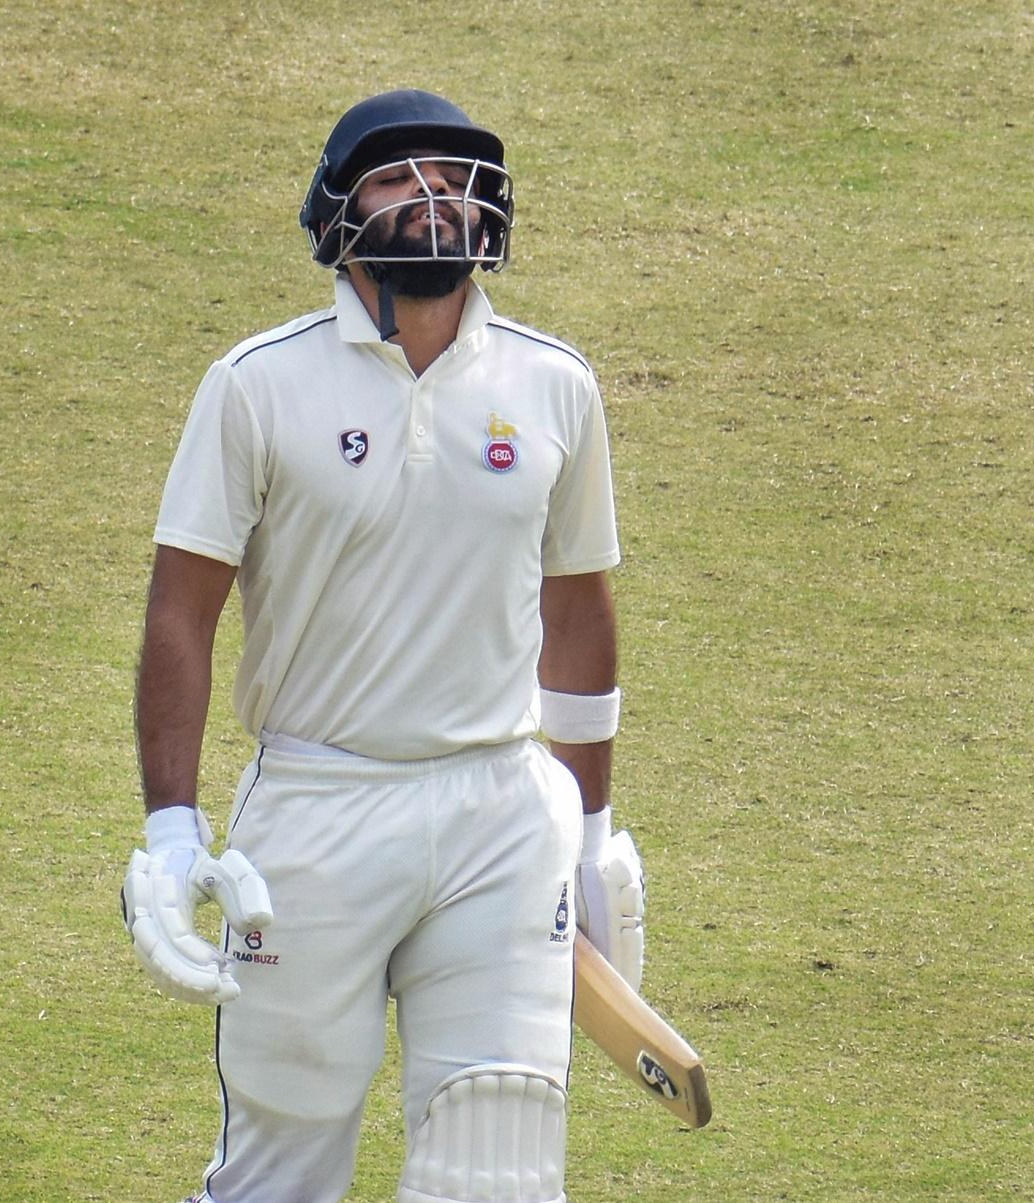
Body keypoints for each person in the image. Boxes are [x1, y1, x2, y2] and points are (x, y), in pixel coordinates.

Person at [121, 89, 645, 1203]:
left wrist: (593, 828)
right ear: (336, 213)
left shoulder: (556, 385)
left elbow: (578, 610)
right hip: (316, 809)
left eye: (456, 179)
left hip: (501, 814)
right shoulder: (258, 384)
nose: (435, 198)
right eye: (400, 178)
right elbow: (181, 609)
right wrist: (171, 829)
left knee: (495, 1166)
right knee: (284, 1162)